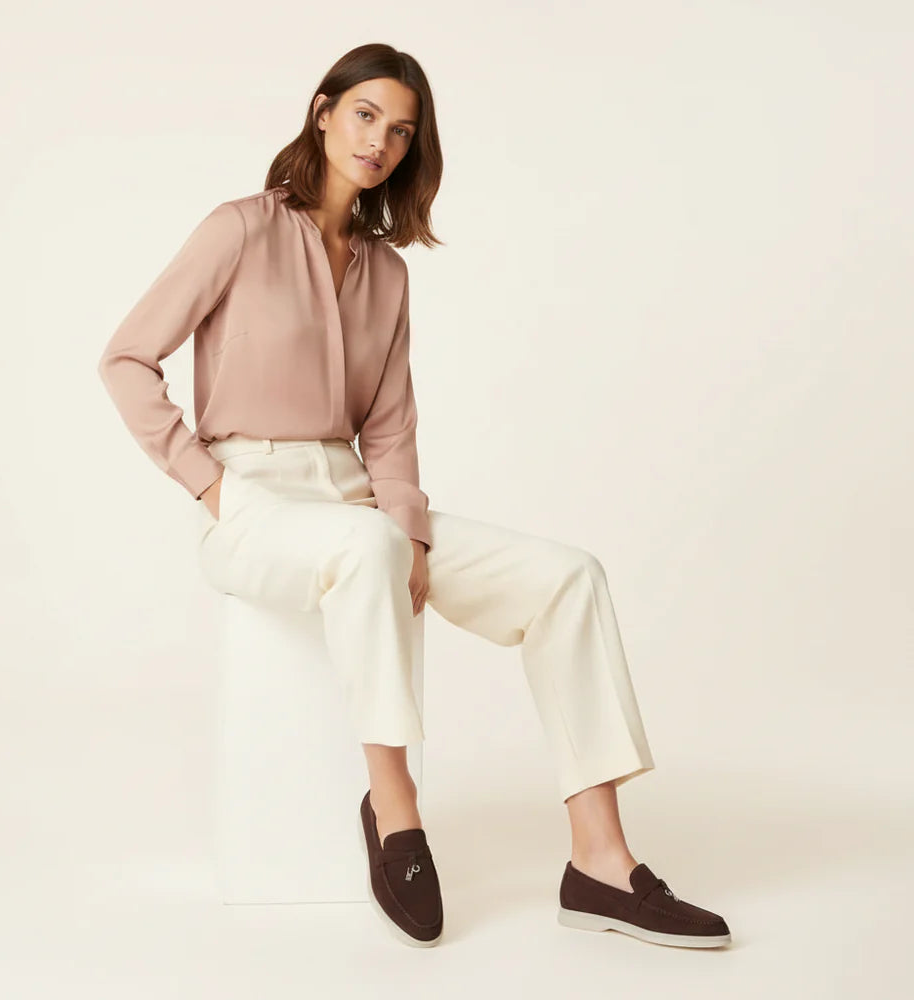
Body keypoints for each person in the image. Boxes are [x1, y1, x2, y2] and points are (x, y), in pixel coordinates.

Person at [96, 42, 731, 950]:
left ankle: (600, 860)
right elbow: (125, 358)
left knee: (567, 576)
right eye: (366, 116)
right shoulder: (238, 230)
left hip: (356, 499)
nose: (380, 142)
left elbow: (390, 426)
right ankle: (395, 810)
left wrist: (412, 532)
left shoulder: (386, 274)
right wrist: (211, 485)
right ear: (323, 112)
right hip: (252, 502)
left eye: (400, 131)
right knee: (365, 550)